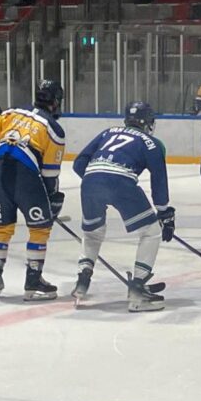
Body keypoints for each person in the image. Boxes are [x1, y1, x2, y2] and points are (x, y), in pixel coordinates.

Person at [71, 102, 174, 312]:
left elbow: (79, 163)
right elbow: (159, 179)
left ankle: (83, 280)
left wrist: (97, 181)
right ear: (148, 123)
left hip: (91, 180)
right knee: (151, 232)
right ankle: (138, 288)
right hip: (121, 182)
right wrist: (164, 212)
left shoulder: (108, 132)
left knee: (92, 234)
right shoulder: (153, 143)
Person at [0, 82, 65, 301]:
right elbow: (49, 174)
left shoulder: (10, 112)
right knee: (40, 228)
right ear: (55, 102)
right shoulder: (54, 129)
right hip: (26, 178)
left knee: (1, 228)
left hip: (0, 174)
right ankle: (33, 282)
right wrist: (51, 199)